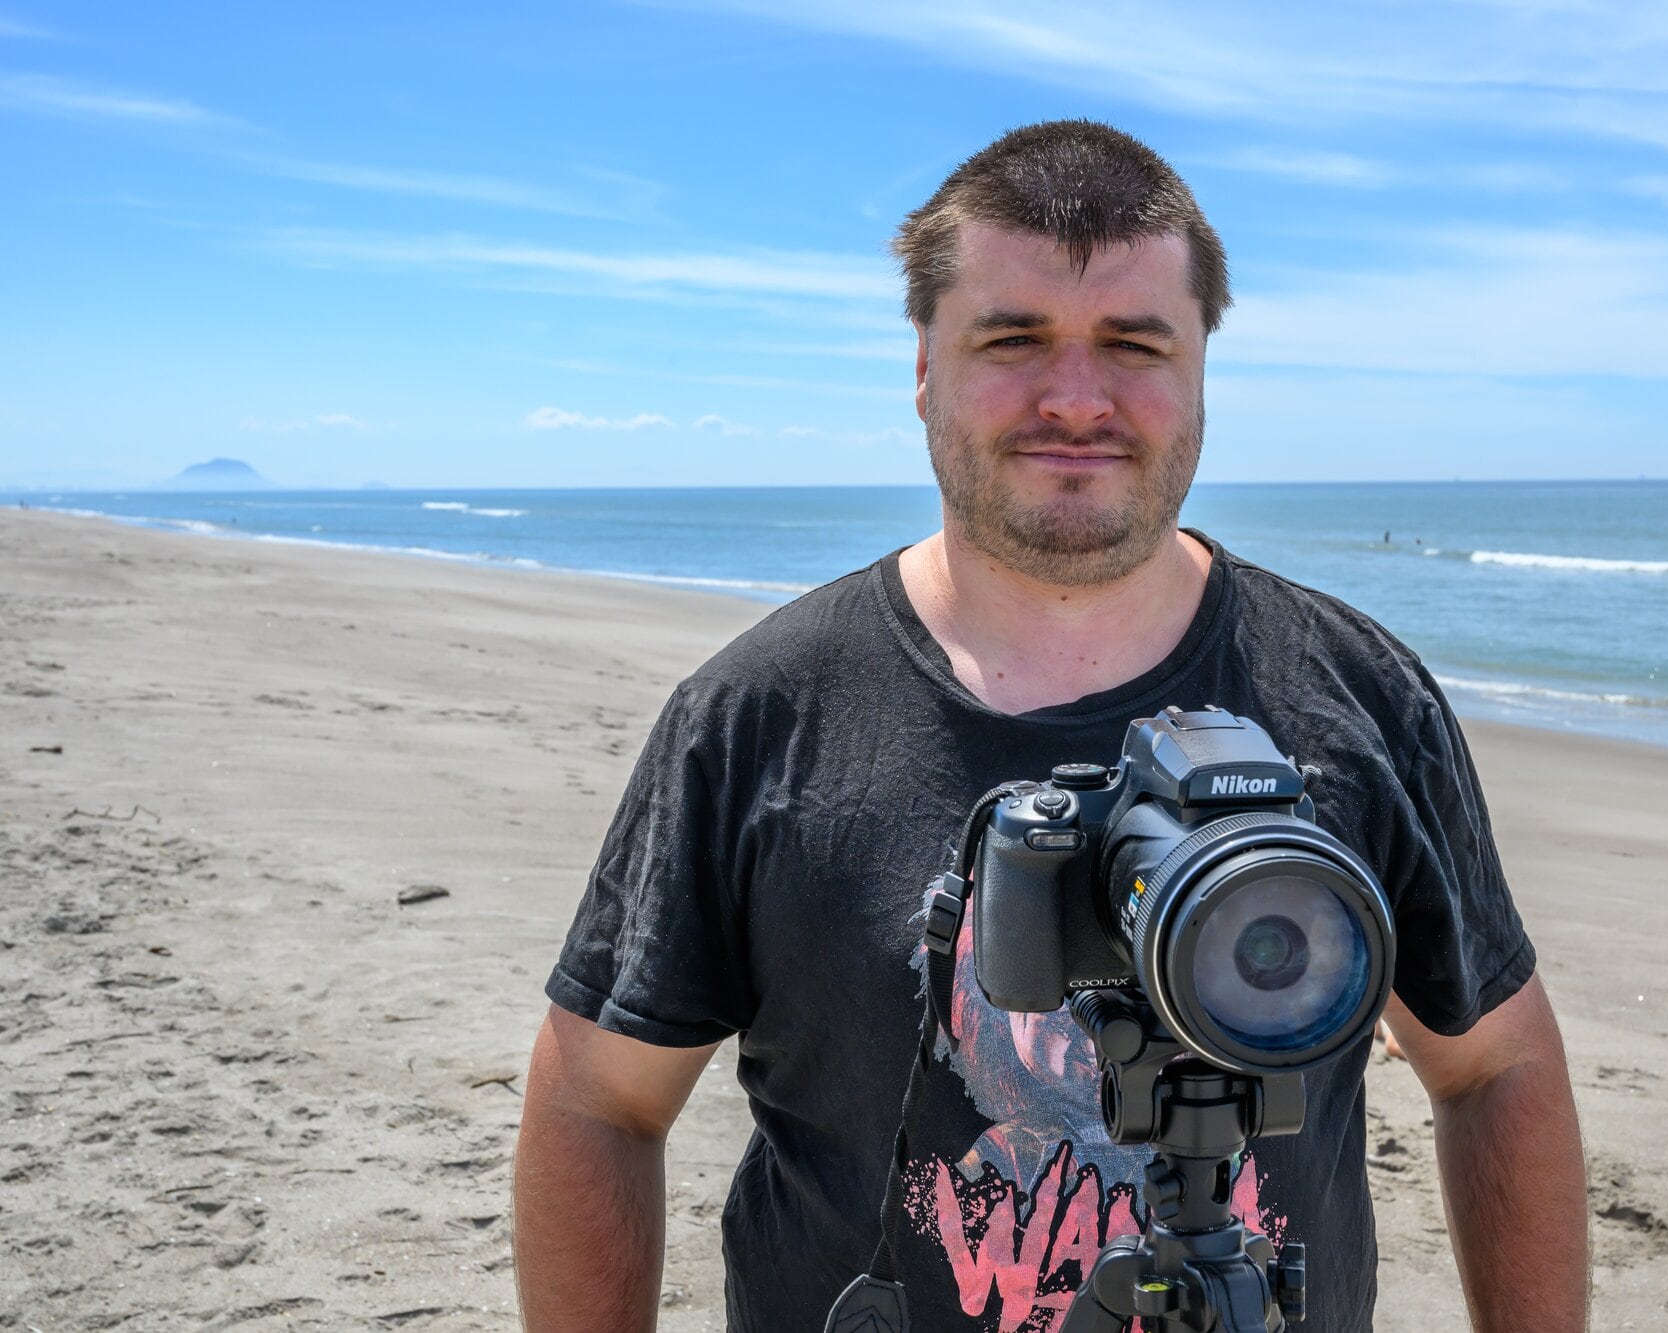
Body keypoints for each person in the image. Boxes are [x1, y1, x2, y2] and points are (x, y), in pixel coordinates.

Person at [512, 120, 1587, 1333]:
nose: (1075, 398)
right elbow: (600, 1100)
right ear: (924, 365)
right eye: (1012, 337)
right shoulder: (757, 717)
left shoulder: (1358, 697)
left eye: (1133, 344)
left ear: (1197, 376)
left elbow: (1494, 1064)